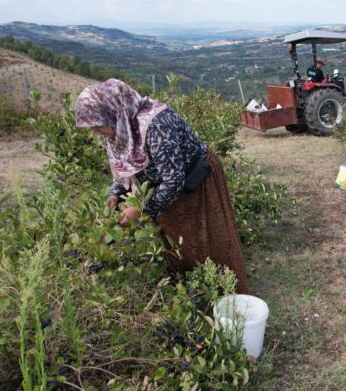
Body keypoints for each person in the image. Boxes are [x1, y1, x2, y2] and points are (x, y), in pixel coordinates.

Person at [75, 79, 248, 293]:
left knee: (208, 240)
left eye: (97, 124)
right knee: (178, 244)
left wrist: (140, 210)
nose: (94, 130)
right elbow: (124, 166)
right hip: (163, 190)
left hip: (196, 183)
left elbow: (173, 179)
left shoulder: (156, 125)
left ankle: (226, 294)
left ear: (113, 113)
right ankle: (193, 295)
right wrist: (115, 194)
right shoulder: (120, 129)